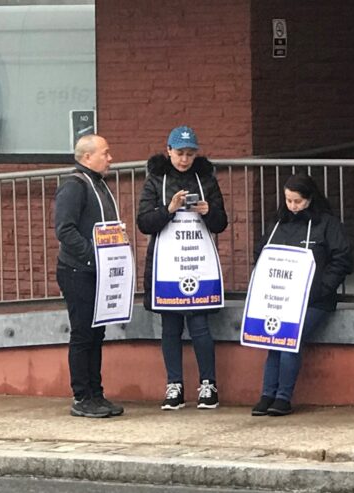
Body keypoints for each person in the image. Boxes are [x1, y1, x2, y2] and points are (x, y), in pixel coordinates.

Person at [137, 126, 228, 410]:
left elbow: (221, 223)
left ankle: (208, 384)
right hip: (167, 263)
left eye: (190, 154)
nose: (184, 160)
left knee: (200, 325)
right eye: (179, 153)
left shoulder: (206, 179)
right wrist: (169, 209)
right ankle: (174, 384)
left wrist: (208, 212)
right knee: (171, 326)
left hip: (196, 261)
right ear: (169, 151)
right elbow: (144, 222)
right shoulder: (156, 180)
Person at [251, 174, 352, 417]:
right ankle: (267, 394)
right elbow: (262, 255)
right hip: (283, 298)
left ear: (310, 199)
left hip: (315, 299)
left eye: (297, 201)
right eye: (288, 201)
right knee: (272, 342)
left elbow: (342, 258)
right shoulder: (278, 224)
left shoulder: (327, 224)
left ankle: (283, 397)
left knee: (288, 340)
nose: (292, 206)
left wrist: (323, 288)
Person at [54, 134, 125, 418]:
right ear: (87, 158)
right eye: (105, 153)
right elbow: (65, 229)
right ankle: (82, 396)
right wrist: (92, 254)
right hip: (77, 271)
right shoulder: (74, 185)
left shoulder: (97, 184)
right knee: (83, 333)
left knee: (97, 333)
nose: (110, 158)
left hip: (98, 271)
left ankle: (96, 393)